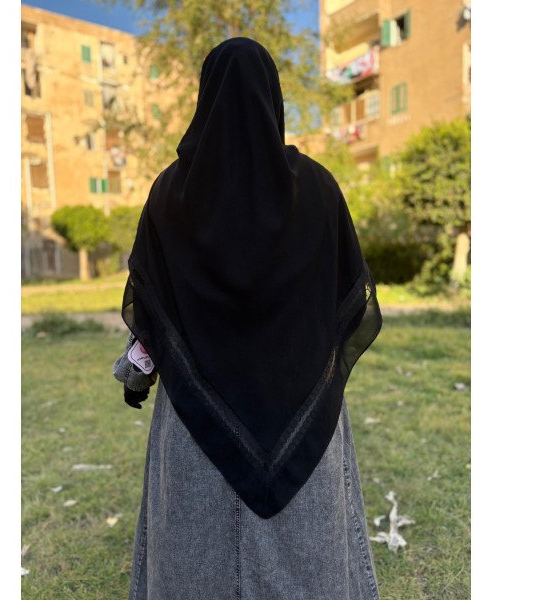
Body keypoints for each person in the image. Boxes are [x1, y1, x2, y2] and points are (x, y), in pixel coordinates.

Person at [113, 37, 383, 600]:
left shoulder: (168, 194)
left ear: (204, 97)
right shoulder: (317, 188)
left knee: (191, 563)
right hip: (302, 409)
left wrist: (136, 371)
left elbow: (153, 309)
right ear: (272, 97)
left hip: (194, 421)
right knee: (311, 564)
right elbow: (346, 298)